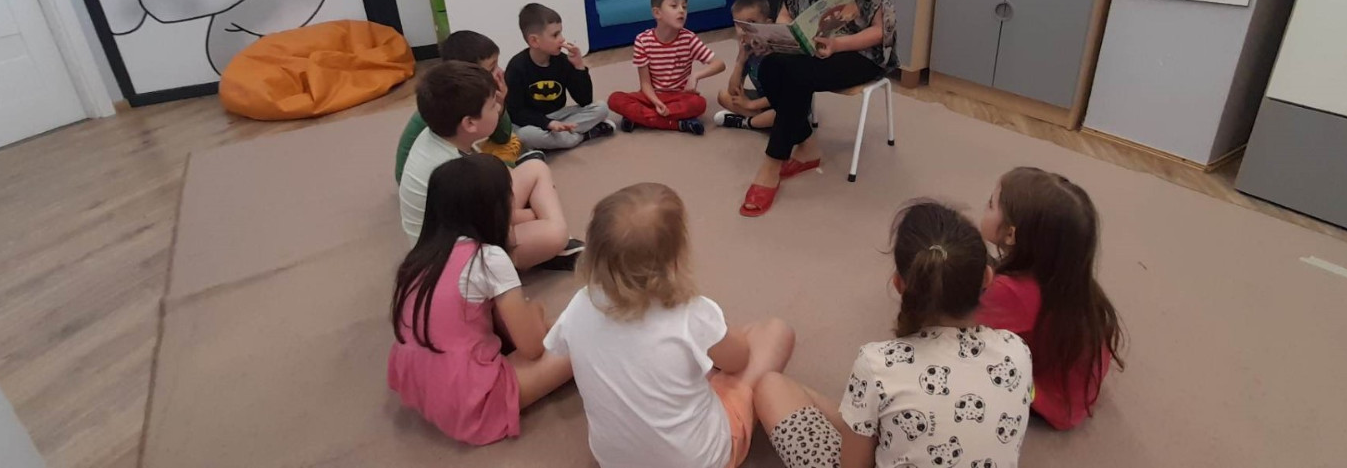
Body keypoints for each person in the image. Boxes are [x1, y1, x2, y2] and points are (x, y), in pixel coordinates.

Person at [752, 202, 1033, 468]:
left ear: (899, 284)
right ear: (987, 277)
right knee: (866, 411)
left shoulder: (877, 363)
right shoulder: (1018, 351)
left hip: (880, 415)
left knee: (770, 387)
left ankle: (870, 419)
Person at [544, 183, 796, 468]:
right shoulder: (691, 313)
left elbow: (569, 348)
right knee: (775, 333)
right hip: (701, 460)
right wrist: (718, 327)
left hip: (613, 461)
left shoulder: (581, 303)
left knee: (700, 359)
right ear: (676, 256)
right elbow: (739, 360)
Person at [742, 0, 897, 217]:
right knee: (769, 66)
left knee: (796, 74)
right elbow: (788, 9)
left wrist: (837, 45)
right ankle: (808, 147)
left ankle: (771, 164)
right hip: (809, 46)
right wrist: (777, 34)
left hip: (861, 51)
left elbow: (881, 31)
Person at [387, 155, 574, 445]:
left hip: (422, 381)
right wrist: (535, 310)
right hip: (468, 395)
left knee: (544, 327)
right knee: (577, 338)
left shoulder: (420, 257)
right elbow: (533, 347)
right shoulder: (489, 258)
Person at [976, 167, 1124, 430]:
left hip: (1048, 400)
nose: (984, 206)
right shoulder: (1067, 275)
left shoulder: (1011, 291)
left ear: (1010, 234)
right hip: (1073, 386)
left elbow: (965, 329)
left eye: (990, 204)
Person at [398, 62, 581, 270]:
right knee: (556, 234)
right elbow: (492, 223)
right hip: (454, 259)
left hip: (465, 223)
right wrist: (534, 215)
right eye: (493, 106)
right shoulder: (454, 172)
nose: (499, 108)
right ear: (469, 123)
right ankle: (549, 248)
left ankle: (541, 238)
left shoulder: (443, 135)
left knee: (535, 167)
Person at [394, 30, 542, 183]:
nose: (501, 72)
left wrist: (500, 103)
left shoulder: (462, 98)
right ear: (471, 75)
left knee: (510, 144)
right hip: (435, 181)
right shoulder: (442, 108)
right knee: (509, 166)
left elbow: (502, 137)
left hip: (445, 166)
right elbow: (499, 137)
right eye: (492, 68)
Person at [606, 0, 727, 135]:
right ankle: (678, 124)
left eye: (684, 6)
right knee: (615, 99)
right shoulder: (643, 40)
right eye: (674, 6)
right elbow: (645, 83)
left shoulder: (689, 39)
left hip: (679, 97)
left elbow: (719, 63)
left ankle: (639, 118)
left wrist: (695, 76)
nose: (681, 10)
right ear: (657, 13)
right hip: (651, 96)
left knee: (699, 104)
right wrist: (657, 102)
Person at [505, 3, 616, 151]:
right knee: (524, 135)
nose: (562, 39)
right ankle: (583, 135)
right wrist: (548, 124)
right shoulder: (516, 67)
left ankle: (558, 139)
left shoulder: (562, 61)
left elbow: (585, 100)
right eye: (555, 35)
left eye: (561, 33)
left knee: (601, 108)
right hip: (531, 121)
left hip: (560, 115)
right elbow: (516, 112)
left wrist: (579, 67)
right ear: (534, 41)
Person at [714, 0, 777, 131]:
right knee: (723, 95)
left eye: (751, 22)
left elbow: (782, 94)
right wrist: (740, 61)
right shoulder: (748, 51)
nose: (744, 29)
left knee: (780, 113)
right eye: (739, 24)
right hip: (763, 100)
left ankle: (746, 122)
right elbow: (733, 91)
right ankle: (761, 121)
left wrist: (750, 105)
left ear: (768, 24)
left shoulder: (776, 52)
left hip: (785, 101)